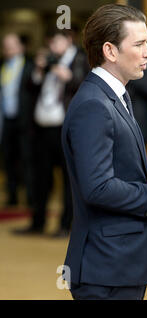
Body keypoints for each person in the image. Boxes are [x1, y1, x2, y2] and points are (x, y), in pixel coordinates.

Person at [61, 4, 147, 300]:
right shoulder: (95, 105)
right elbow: (97, 187)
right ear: (110, 50)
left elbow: (115, 174)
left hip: (115, 265)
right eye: (139, 43)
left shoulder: (114, 96)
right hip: (104, 268)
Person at [13, 29, 89, 237]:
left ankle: (66, 225)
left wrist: (69, 77)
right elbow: (31, 87)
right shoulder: (48, 60)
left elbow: (85, 88)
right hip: (42, 128)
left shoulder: (80, 59)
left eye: (56, 41)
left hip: (66, 129)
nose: (52, 46)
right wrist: (39, 70)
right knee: (41, 177)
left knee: (68, 180)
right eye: (51, 42)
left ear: (68, 40)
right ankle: (38, 222)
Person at [0, 33, 34, 207]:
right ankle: (12, 196)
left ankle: (30, 197)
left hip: (25, 121)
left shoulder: (29, 66)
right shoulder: (3, 67)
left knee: (27, 160)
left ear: (21, 47)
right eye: (5, 45)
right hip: (7, 120)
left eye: (11, 45)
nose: (7, 49)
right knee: (8, 159)